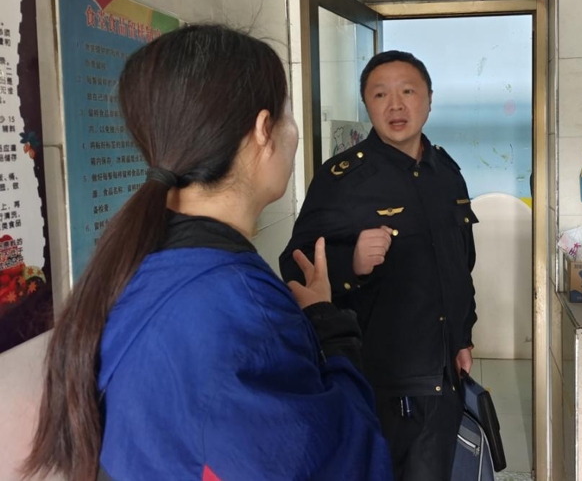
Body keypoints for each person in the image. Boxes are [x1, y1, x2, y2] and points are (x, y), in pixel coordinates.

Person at [22, 25, 392, 481]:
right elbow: (353, 463)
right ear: (263, 130)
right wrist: (330, 331)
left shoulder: (139, 265)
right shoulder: (242, 312)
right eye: (287, 114)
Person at [280, 50, 477, 481]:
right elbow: (295, 267)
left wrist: (462, 336)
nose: (395, 105)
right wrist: (350, 262)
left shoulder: (447, 173)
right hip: (381, 380)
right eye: (380, 94)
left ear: (429, 99)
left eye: (408, 91)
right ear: (367, 105)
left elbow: (461, 265)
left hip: (444, 375)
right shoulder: (342, 180)